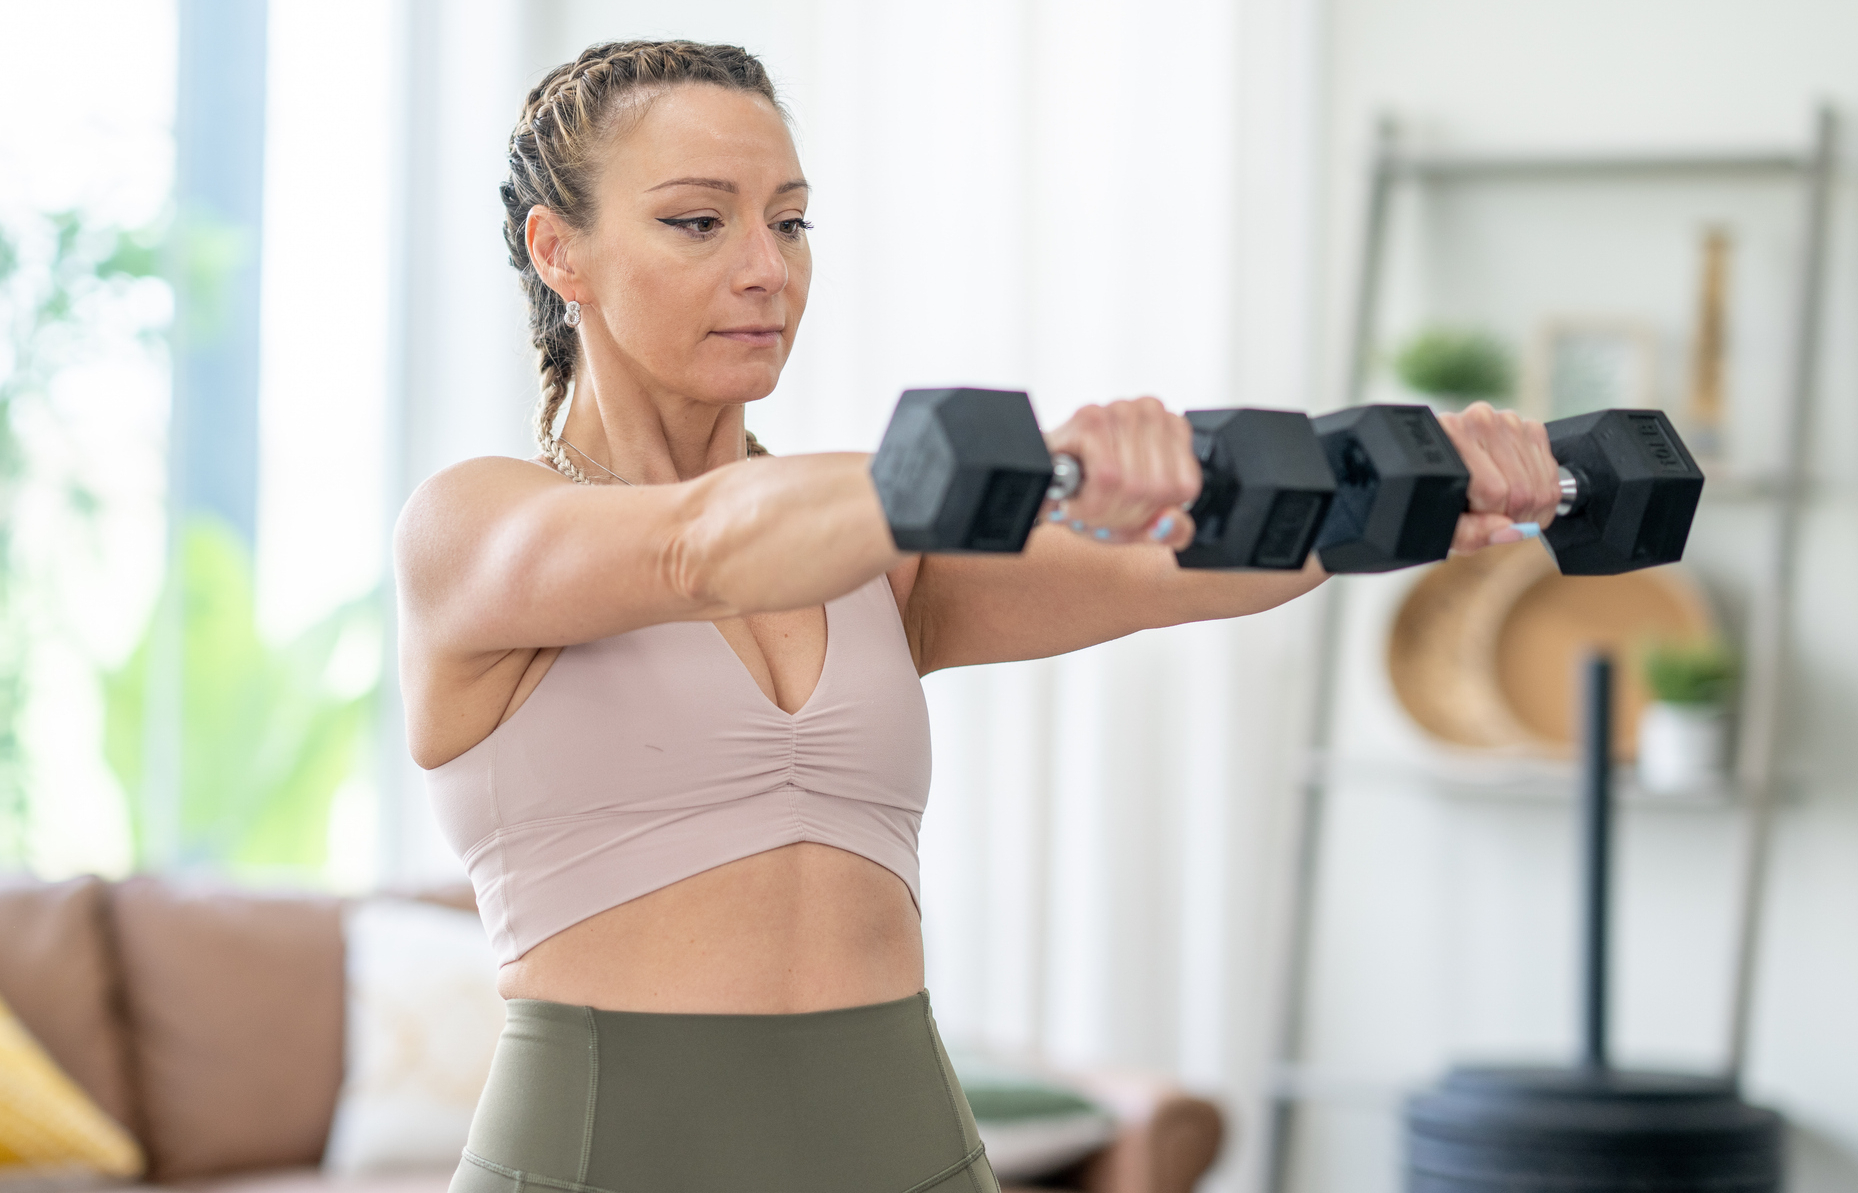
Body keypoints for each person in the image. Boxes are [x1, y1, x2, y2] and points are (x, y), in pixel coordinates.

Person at [396, 39, 1559, 1193]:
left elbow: (1180, 569)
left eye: (791, 222)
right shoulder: (477, 526)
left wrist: (1423, 488)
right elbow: (699, 545)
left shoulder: (876, 563)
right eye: (700, 222)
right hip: (607, 1153)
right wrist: (1038, 460)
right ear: (562, 252)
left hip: (905, 1138)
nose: (767, 268)